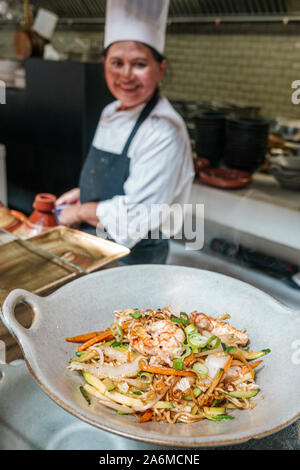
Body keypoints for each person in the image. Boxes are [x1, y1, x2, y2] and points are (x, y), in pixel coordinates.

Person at [56, 0, 194, 265]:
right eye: (116, 63)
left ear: (160, 69)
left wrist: (79, 211)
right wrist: (83, 192)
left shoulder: (164, 131)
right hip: (95, 245)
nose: (126, 76)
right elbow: (115, 179)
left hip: (135, 258)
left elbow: (135, 219)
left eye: (139, 64)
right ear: (104, 63)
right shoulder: (110, 111)